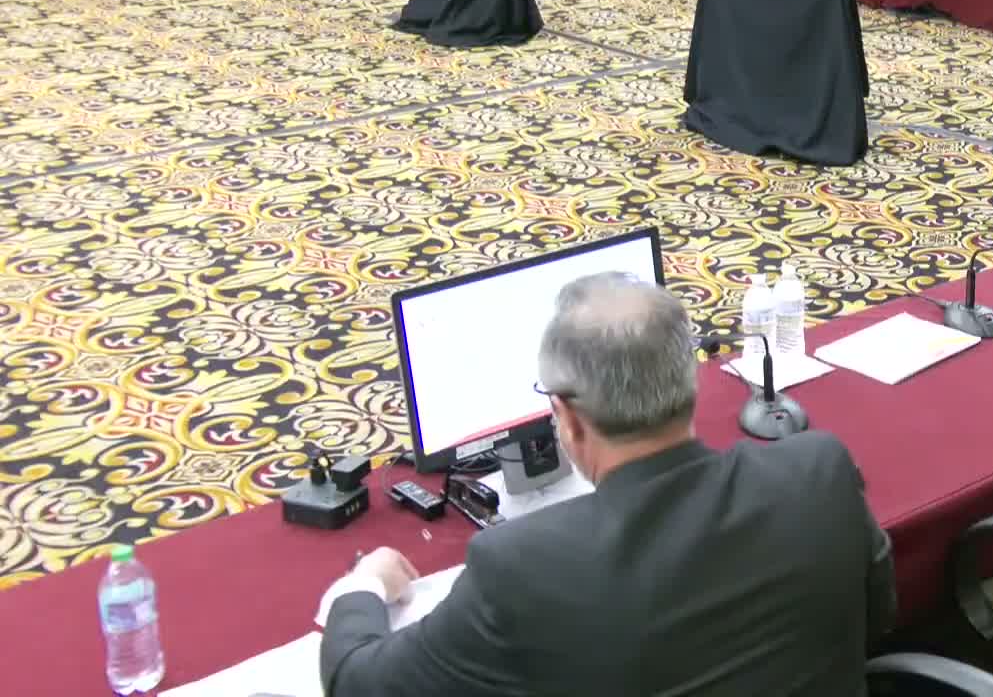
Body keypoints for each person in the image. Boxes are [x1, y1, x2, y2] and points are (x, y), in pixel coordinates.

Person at [317, 274, 896, 696]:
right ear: (691, 382)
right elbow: (879, 619)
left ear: (567, 418)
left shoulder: (517, 566)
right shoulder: (818, 469)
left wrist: (362, 586)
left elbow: (358, 684)